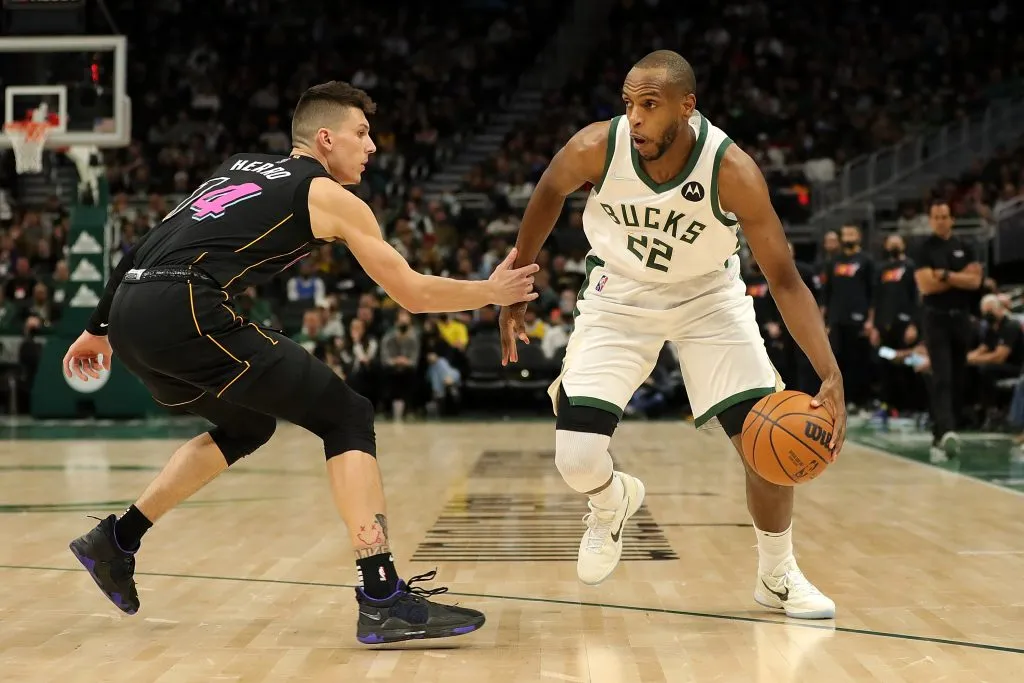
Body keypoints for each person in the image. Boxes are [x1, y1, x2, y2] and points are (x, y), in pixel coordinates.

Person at [62, 80, 540, 644]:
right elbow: (409, 292)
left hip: (133, 310)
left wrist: (98, 328)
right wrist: (491, 291)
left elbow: (139, 247)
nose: (372, 147)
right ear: (324, 138)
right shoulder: (329, 196)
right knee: (347, 416)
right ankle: (382, 594)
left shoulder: (236, 168)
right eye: (361, 134)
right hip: (186, 306)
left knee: (248, 424)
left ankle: (117, 540)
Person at [499, 50, 846, 619]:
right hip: (621, 295)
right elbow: (548, 194)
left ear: (687, 106)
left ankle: (777, 573)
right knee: (578, 459)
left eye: (650, 105)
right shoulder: (596, 147)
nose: (634, 118)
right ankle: (612, 502)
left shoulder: (731, 171)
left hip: (708, 299)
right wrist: (519, 281)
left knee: (764, 439)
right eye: (629, 104)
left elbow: (782, 276)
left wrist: (830, 372)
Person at [913, 200, 983, 462]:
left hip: (961, 320)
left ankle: (940, 430)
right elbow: (926, 285)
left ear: (952, 219)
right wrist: (957, 277)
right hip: (935, 319)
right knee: (942, 375)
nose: (941, 220)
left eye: (945, 216)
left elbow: (975, 281)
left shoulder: (966, 247)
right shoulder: (923, 248)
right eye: (936, 216)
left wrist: (943, 275)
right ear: (931, 220)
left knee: (959, 378)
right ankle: (948, 430)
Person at [821, 224, 875, 409]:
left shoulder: (866, 261)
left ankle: (862, 401)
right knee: (838, 360)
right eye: (845, 234)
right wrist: (824, 321)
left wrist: (870, 319)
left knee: (859, 360)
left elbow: (872, 292)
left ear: (859, 235)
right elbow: (826, 294)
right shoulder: (833, 262)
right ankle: (843, 400)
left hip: (859, 318)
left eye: (852, 233)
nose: (849, 237)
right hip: (836, 318)